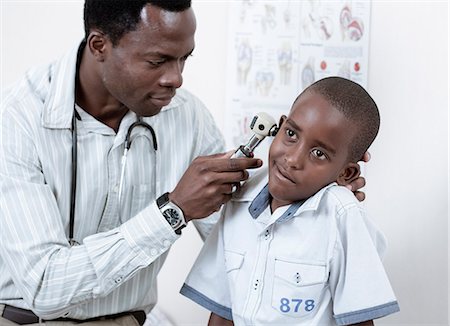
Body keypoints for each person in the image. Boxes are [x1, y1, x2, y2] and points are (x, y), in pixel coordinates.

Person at [0, 1, 367, 325]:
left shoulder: (187, 116)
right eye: (158, 60)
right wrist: (172, 212)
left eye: (184, 58)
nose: (176, 79)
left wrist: (311, 199)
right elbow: (42, 286)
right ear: (100, 45)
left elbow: (240, 238)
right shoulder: (19, 119)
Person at [180, 77, 400, 326]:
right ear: (281, 126)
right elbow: (222, 312)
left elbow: (358, 320)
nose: (293, 159)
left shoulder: (342, 216)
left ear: (345, 173)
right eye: (291, 134)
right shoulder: (238, 198)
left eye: (319, 153)